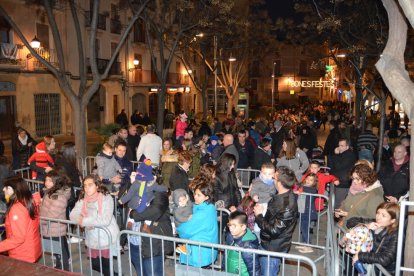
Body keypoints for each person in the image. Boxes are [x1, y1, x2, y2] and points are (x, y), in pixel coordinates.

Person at [69, 175, 120, 276]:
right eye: (85, 186)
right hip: (92, 237)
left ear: (97, 186)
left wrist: (83, 221)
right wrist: (87, 220)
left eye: (90, 185)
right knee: (95, 265)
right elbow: (72, 215)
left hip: (107, 236)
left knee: (106, 265)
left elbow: (105, 220)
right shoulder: (83, 200)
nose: (87, 188)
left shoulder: (106, 198)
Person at [254, 166, 298, 276]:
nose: (272, 179)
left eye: (274, 178)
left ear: (279, 182)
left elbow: (274, 230)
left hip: (273, 248)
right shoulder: (280, 195)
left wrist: (258, 216)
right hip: (268, 243)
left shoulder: (287, 205)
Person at [129, 187, 173, 275]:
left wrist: (133, 214)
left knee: (152, 272)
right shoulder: (135, 190)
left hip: (152, 244)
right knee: (141, 272)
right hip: (134, 242)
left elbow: (154, 211)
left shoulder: (160, 194)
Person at [176, 178, 218, 268]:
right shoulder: (207, 207)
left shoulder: (204, 212)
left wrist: (178, 229)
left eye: (199, 195)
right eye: (195, 194)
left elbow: (188, 229)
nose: (195, 197)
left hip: (199, 253)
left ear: (206, 197)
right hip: (203, 250)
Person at [349, 202, 400, 274]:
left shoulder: (395, 234)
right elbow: (350, 221)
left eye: (383, 215)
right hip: (370, 267)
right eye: (378, 213)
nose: (378, 217)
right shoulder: (373, 223)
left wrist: (361, 256)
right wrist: (366, 226)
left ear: (393, 220)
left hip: (384, 272)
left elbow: (386, 259)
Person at [0, 176, 41, 263]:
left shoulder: (17, 209)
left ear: (13, 190)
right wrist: (8, 224)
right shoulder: (29, 201)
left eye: (7, 187)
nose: (3, 189)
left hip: (22, 253)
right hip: (31, 248)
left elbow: (18, 238)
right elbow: (29, 222)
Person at [334, 163, 385, 230]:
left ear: (366, 178)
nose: (354, 181)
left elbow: (372, 219)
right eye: (353, 178)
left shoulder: (375, 196)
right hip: (347, 227)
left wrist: (348, 214)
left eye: (357, 179)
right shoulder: (354, 188)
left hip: (359, 233)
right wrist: (341, 209)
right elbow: (346, 201)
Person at [40, 170, 73, 270]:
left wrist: (39, 221)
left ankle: (65, 271)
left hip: (55, 228)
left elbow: (52, 215)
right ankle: (59, 268)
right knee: (56, 252)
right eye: (46, 180)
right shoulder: (49, 192)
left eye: (50, 181)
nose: (47, 183)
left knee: (60, 252)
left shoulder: (59, 196)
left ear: (56, 182)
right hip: (49, 227)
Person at [225, 211, 261, 275]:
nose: (230, 228)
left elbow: (253, 269)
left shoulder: (248, 245)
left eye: (234, 226)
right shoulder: (230, 236)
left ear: (243, 227)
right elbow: (226, 254)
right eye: (229, 225)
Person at [330, 139, 356, 209]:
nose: (339, 148)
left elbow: (338, 166)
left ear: (347, 147)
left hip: (343, 183)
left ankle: (336, 218)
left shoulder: (349, 155)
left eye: (342, 146)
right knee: (334, 201)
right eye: (339, 145)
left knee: (339, 203)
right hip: (337, 181)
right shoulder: (343, 154)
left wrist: (335, 155)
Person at [295, 173, 318, 249]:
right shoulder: (302, 187)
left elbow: (307, 191)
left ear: (314, 182)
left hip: (308, 212)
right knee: (303, 227)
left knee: (304, 228)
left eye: (311, 180)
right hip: (302, 211)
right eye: (307, 179)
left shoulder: (313, 189)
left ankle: (308, 245)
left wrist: (300, 190)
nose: (308, 181)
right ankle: (304, 243)